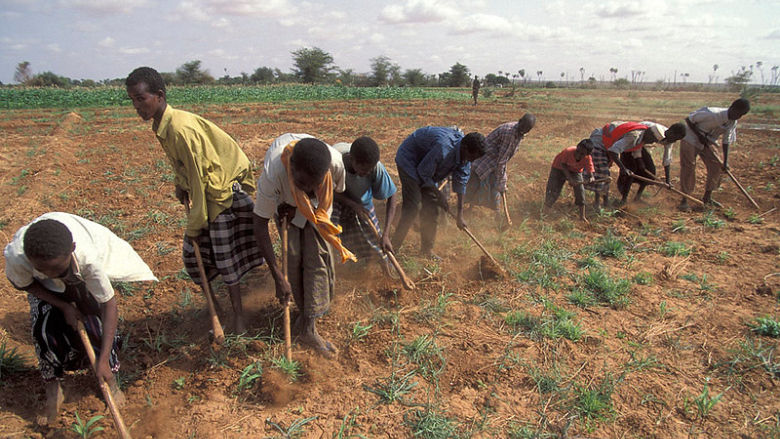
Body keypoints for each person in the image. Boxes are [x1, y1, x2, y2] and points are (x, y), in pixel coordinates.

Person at [126, 67, 263, 334]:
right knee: (194, 260)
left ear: (159, 96)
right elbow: (188, 168)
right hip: (207, 193)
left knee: (226, 261)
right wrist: (181, 184)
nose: (136, 106)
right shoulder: (163, 124)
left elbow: (201, 181)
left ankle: (239, 319)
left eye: (140, 99)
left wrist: (194, 225)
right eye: (132, 100)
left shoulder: (178, 129)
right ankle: (219, 311)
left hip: (220, 195)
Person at [4, 213, 157, 425]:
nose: (50, 274)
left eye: (56, 269)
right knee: (43, 330)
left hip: (78, 277)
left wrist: (102, 361)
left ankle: (110, 379)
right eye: (41, 269)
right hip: (46, 291)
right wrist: (63, 305)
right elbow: (22, 284)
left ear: (72, 249)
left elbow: (109, 304)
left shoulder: (87, 258)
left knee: (95, 326)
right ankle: (53, 386)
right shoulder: (18, 256)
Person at [252, 133, 353, 357]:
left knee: (317, 258)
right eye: (301, 184)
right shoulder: (273, 174)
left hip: (319, 207)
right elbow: (259, 224)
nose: (306, 188)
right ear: (291, 167)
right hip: (284, 204)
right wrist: (278, 276)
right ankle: (303, 315)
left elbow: (333, 193)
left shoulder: (334, 164)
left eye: (312, 184)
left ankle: (309, 326)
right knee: (293, 258)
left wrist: (304, 204)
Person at [391, 126, 487, 259]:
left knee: (431, 208)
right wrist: (439, 195)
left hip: (428, 168)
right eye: (472, 157)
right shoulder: (444, 148)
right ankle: (392, 249)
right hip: (410, 161)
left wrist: (460, 214)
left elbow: (461, 183)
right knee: (412, 206)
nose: (471, 161)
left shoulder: (466, 157)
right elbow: (423, 173)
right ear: (465, 148)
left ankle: (426, 250)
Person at [331, 136, 398, 271]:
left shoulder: (376, 168)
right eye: (363, 170)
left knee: (378, 245)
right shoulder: (334, 163)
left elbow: (392, 196)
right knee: (330, 232)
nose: (366, 173)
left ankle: (387, 270)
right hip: (334, 201)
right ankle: (334, 267)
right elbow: (325, 191)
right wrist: (352, 204)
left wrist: (385, 235)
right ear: (351, 160)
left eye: (369, 170)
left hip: (362, 203)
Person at [677, 98, 750, 211]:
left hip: (708, 141)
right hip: (690, 138)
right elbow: (689, 119)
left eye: (741, 115)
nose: (738, 117)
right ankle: (684, 200)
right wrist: (699, 135)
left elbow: (726, 141)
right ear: (732, 108)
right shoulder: (712, 113)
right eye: (738, 113)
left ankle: (707, 197)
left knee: (717, 166)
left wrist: (725, 162)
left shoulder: (732, 122)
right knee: (689, 166)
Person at [465, 113, 536, 222]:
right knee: (478, 184)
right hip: (486, 159)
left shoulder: (518, 132)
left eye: (528, 129)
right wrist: (502, 180)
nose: (525, 130)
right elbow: (501, 161)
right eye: (524, 126)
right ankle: (468, 210)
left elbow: (503, 158)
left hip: (493, 161)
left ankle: (496, 214)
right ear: (520, 121)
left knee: (492, 186)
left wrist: (501, 178)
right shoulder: (510, 133)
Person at [583, 121, 670, 209]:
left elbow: (633, 151)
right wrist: (623, 168)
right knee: (603, 175)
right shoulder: (634, 136)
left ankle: (605, 203)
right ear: (650, 134)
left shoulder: (641, 136)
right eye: (653, 140)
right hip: (598, 143)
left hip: (606, 144)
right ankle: (597, 203)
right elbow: (613, 151)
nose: (652, 143)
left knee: (605, 176)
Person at [616, 122, 687, 204]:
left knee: (650, 173)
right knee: (632, 169)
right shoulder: (653, 130)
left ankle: (637, 197)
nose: (674, 141)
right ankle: (623, 199)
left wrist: (667, 180)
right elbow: (638, 141)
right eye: (675, 138)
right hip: (632, 141)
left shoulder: (669, 140)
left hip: (642, 146)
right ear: (671, 132)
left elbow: (667, 159)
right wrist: (639, 161)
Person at [544, 139, 596, 222]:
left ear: (587, 154)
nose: (578, 155)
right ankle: (545, 210)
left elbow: (590, 170)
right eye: (578, 151)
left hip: (575, 171)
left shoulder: (587, 158)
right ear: (577, 147)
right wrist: (570, 179)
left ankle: (582, 216)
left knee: (580, 190)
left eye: (582, 154)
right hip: (559, 167)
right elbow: (563, 165)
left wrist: (591, 177)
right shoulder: (568, 151)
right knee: (553, 189)